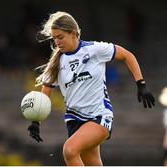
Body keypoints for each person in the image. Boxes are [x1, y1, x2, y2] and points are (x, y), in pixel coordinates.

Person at [27, 11, 155, 166]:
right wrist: (36, 121)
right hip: (74, 120)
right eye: (54, 38)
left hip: (99, 117)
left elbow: (127, 55)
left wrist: (141, 84)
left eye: (60, 37)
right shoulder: (56, 64)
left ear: (73, 33)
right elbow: (45, 94)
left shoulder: (94, 49)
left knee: (70, 150)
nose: (57, 42)